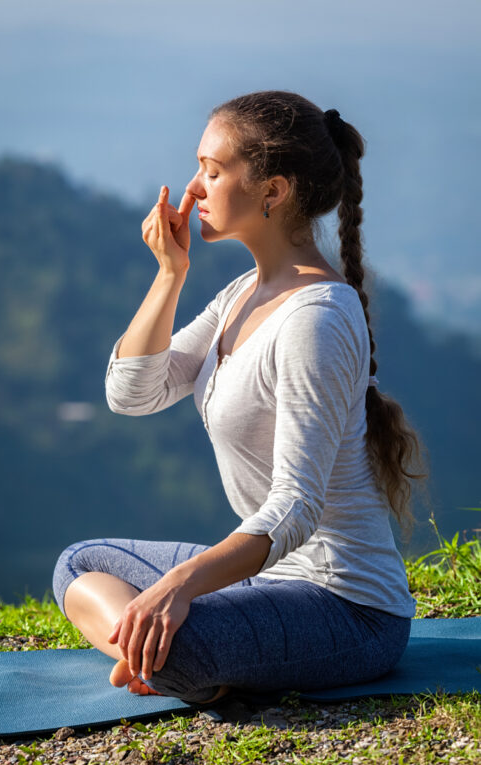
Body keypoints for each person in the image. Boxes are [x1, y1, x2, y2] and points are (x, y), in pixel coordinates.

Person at [52, 90, 427, 705]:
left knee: (179, 630)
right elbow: (133, 392)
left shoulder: (316, 319)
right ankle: (168, 661)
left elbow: (295, 507)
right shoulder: (240, 295)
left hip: (348, 611)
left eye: (213, 170)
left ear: (273, 191)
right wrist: (170, 275)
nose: (194, 188)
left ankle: (178, 661)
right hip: (271, 581)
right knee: (80, 563)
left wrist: (179, 586)